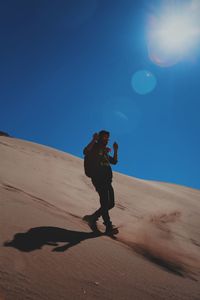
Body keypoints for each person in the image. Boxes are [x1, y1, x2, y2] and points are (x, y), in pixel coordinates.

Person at [83, 130, 118, 234]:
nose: (107, 140)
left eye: (108, 138)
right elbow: (85, 151)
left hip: (108, 181)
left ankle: (93, 217)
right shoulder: (95, 146)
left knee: (111, 204)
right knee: (104, 203)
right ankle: (108, 226)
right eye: (105, 137)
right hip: (98, 179)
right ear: (100, 138)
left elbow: (114, 162)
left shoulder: (104, 151)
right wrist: (94, 140)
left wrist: (115, 150)